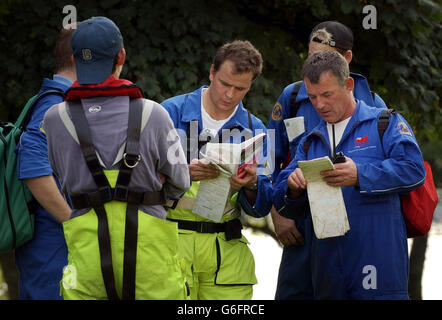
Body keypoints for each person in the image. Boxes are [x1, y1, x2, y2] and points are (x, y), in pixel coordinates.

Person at [43, 16, 190, 300]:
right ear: (120, 55)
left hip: (88, 258)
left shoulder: (54, 119)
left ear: (75, 59)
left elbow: (62, 180)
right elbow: (180, 182)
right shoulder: (154, 114)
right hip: (151, 258)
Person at [273, 50, 425, 299]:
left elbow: (414, 170)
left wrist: (361, 174)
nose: (319, 104)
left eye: (327, 94)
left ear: (349, 84)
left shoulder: (384, 123)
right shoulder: (310, 141)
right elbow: (280, 195)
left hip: (378, 265)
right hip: (326, 270)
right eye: (312, 97)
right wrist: (293, 187)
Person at [267, 21, 387, 300]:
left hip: (354, 228)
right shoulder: (293, 97)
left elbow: (392, 167)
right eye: (310, 57)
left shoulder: (374, 105)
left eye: (323, 57)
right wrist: (278, 213)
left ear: (346, 59)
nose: (314, 65)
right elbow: (268, 159)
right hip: (301, 224)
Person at [161, 40, 272, 300]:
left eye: (240, 88)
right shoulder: (169, 112)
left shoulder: (256, 129)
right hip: (171, 242)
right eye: (225, 84)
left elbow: (262, 208)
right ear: (212, 73)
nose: (230, 95)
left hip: (227, 253)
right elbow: (139, 181)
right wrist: (182, 172)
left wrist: (253, 184)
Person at [14, 25, 77, 300]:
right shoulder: (55, 104)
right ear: (78, 58)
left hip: (49, 246)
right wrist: (74, 223)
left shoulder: (50, 100)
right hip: (51, 247)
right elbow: (32, 168)